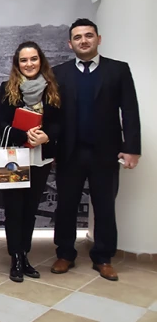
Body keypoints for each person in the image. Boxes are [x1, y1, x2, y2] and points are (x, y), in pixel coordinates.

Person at [51, 18, 141, 282]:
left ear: (98, 39)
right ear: (70, 44)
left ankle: (103, 257)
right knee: (66, 206)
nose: (84, 41)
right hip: (69, 153)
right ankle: (65, 254)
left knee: (104, 207)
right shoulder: (58, 73)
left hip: (106, 152)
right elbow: (52, 116)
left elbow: (130, 110)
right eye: (77, 37)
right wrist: (50, 149)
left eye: (88, 35)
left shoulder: (118, 70)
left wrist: (132, 148)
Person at [0, 41, 61, 282]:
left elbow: (60, 121)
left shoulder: (53, 88)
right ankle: (15, 258)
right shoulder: (7, 88)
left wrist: (46, 136)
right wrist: (23, 135)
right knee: (14, 210)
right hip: (14, 159)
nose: (29, 64)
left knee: (30, 210)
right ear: (17, 63)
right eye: (24, 60)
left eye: (33, 59)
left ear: (41, 61)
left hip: (40, 159)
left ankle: (25, 254)